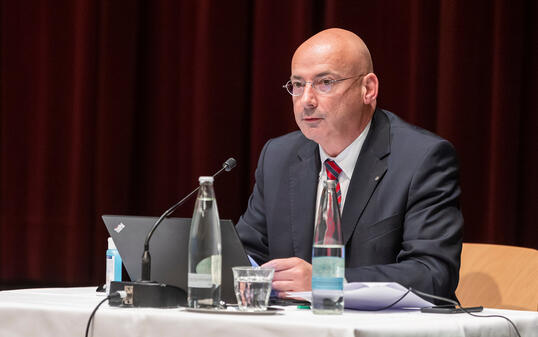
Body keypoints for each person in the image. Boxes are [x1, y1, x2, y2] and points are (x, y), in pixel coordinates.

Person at [236, 28, 463, 301]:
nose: (306, 100)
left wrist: (327, 281)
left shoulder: (422, 159)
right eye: (297, 85)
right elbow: (245, 255)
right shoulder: (278, 157)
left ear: (368, 89)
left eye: (325, 82)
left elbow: (433, 274)